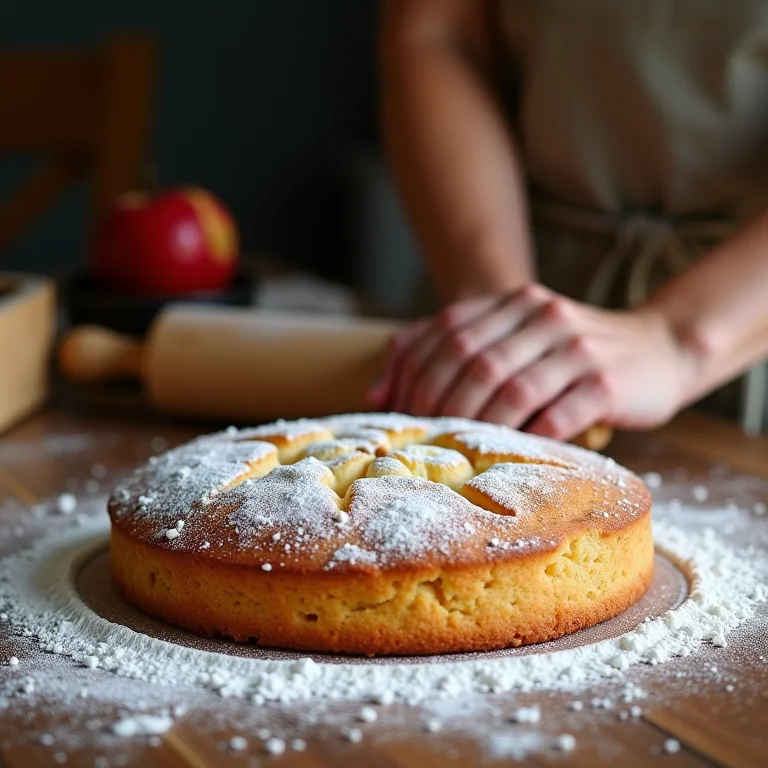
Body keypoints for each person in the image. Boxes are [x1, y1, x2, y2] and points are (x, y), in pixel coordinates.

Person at [368, 0, 768, 442]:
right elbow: (439, 35)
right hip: (496, 256)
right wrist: (499, 319)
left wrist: (678, 340)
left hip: (747, 319)